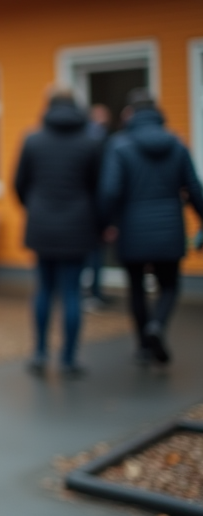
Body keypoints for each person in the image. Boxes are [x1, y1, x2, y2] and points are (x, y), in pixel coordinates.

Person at [99, 89, 203, 364]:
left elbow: (110, 190)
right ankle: (157, 325)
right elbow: (194, 188)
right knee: (169, 285)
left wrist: (104, 224)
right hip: (169, 228)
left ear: (129, 113)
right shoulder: (177, 144)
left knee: (136, 288)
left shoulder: (119, 145)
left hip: (132, 229)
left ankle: (144, 346)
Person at [13, 90, 102, 377]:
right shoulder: (91, 142)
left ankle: (40, 353)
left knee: (43, 290)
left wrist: (36, 208)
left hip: (41, 226)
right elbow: (98, 187)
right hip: (77, 228)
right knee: (72, 293)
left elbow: (18, 184)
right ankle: (69, 358)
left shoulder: (33, 140)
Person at [82, 103, 113, 309]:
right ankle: (95, 292)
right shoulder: (103, 142)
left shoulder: (82, 139)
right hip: (93, 208)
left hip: (82, 208)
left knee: (89, 252)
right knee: (95, 253)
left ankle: (91, 291)